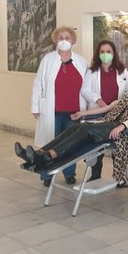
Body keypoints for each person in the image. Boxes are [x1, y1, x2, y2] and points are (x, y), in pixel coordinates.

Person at [16, 67, 128, 184]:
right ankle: (39, 154)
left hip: (127, 131)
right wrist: (82, 114)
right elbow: (107, 108)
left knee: (86, 129)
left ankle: (49, 156)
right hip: (111, 124)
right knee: (75, 127)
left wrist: (123, 126)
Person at [31, 26, 88, 186]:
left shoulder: (81, 61)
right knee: (50, 144)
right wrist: (35, 106)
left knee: (70, 145)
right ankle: (47, 175)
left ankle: (69, 174)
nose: (64, 41)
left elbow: (87, 87)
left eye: (67, 38)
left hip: (74, 113)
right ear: (55, 41)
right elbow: (38, 84)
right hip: (52, 111)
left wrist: (89, 110)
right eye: (60, 38)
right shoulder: (48, 60)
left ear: (73, 41)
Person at [80, 40, 128, 182]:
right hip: (98, 111)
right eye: (102, 52)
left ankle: (119, 176)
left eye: (108, 52)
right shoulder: (92, 71)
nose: (105, 54)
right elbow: (85, 90)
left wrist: (121, 104)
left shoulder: (122, 71)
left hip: (117, 113)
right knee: (96, 142)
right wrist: (97, 100)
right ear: (98, 54)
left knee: (117, 143)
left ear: (114, 53)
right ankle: (96, 173)